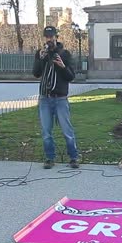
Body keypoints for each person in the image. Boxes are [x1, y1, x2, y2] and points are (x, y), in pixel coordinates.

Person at [33, 26, 79, 169]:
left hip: (60, 99)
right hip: (45, 99)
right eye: (47, 37)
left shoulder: (64, 54)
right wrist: (40, 59)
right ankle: (49, 158)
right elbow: (36, 73)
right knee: (46, 131)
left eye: (51, 36)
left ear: (56, 37)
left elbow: (71, 77)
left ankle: (74, 157)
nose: (49, 39)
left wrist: (62, 66)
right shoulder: (40, 53)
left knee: (67, 131)